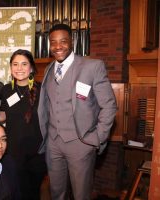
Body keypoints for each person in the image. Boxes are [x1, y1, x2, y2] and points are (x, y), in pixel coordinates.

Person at [37, 24, 117, 200]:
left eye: (63, 41)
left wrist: (96, 137)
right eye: (53, 42)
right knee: (56, 193)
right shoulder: (49, 70)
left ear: (71, 42)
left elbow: (109, 105)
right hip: (54, 144)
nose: (58, 46)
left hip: (81, 143)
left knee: (81, 195)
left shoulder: (92, 66)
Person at [0, 49, 46, 199]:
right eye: (15, 64)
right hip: (13, 154)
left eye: (24, 64)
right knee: (14, 193)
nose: (19, 68)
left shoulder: (42, 89)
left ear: (31, 67)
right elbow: (2, 116)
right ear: (11, 67)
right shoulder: (6, 90)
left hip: (37, 154)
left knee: (32, 194)